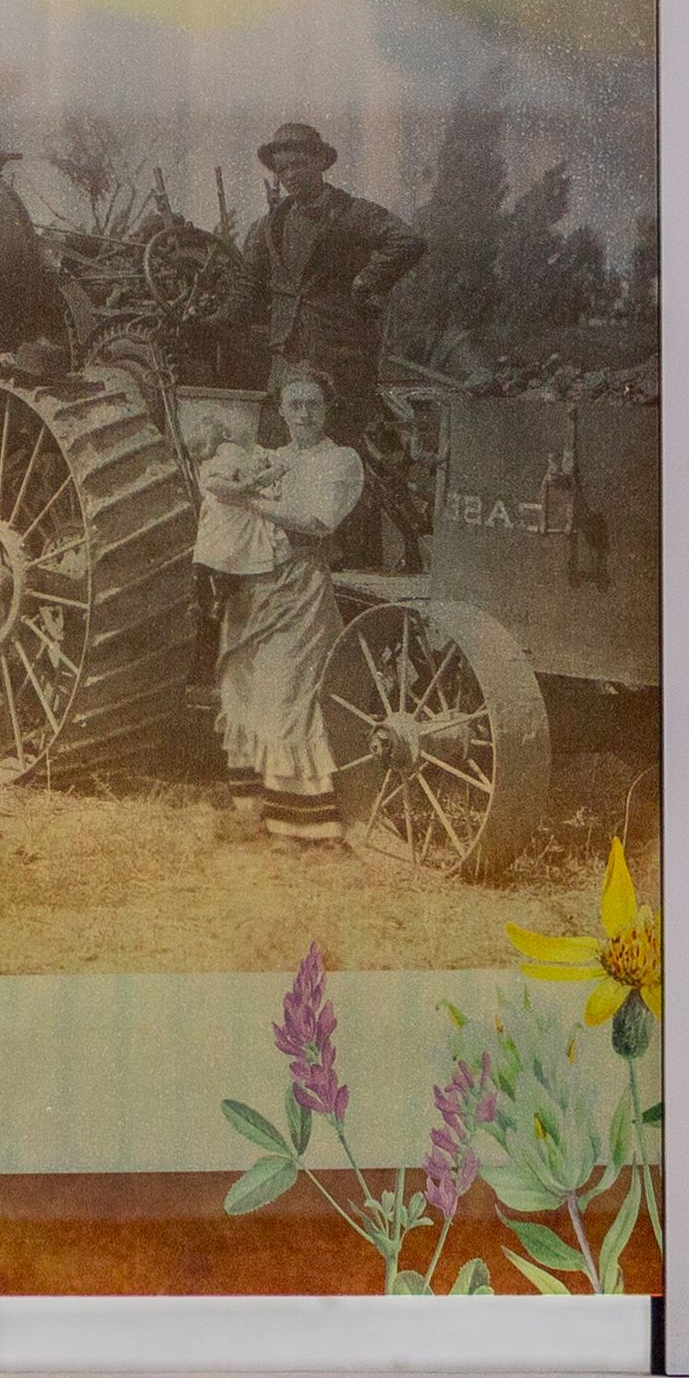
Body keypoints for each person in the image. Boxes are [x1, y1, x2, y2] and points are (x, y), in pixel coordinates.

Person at [230, 120, 425, 562]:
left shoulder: (352, 213)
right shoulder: (269, 226)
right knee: (279, 452)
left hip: (340, 358)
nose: (291, 175)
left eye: (299, 164)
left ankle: (355, 559)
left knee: (341, 455)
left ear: (320, 162)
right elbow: (246, 286)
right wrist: (210, 322)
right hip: (286, 358)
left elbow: (408, 241)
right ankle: (277, 553)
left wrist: (366, 282)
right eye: (282, 169)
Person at [213, 369, 365, 845]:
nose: (304, 414)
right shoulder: (270, 458)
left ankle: (301, 823)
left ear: (327, 409)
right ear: (280, 410)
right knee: (244, 688)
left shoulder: (340, 461)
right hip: (255, 585)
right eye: (295, 404)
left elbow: (317, 521)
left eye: (313, 404)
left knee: (288, 695)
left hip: (301, 585)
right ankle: (252, 809)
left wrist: (249, 503)